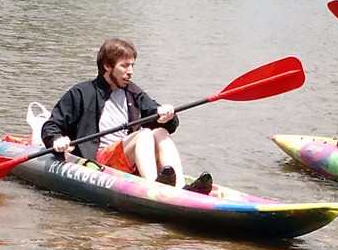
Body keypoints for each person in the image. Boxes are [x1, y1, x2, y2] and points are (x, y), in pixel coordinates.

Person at [40, 37, 212, 193]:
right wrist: (56, 140)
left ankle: (181, 187)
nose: (130, 71)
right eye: (124, 65)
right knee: (144, 134)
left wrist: (167, 117)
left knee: (161, 131)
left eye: (132, 65)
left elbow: (160, 117)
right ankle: (153, 188)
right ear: (107, 66)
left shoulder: (133, 93)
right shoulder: (81, 93)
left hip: (130, 158)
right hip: (98, 162)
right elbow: (51, 126)